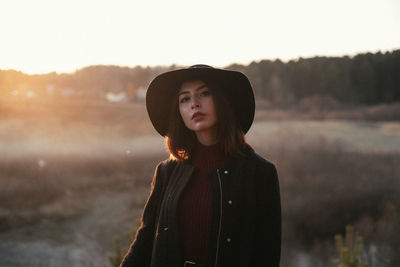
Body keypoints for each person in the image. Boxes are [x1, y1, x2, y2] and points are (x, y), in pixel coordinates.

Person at [120, 65, 281, 267]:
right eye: (184, 99)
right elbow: (145, 241)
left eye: (204, 93)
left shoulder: (259, 173)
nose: (194, 104)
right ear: (179, 111)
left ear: (222, 100)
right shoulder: (167, 172)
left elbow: (267, 254)